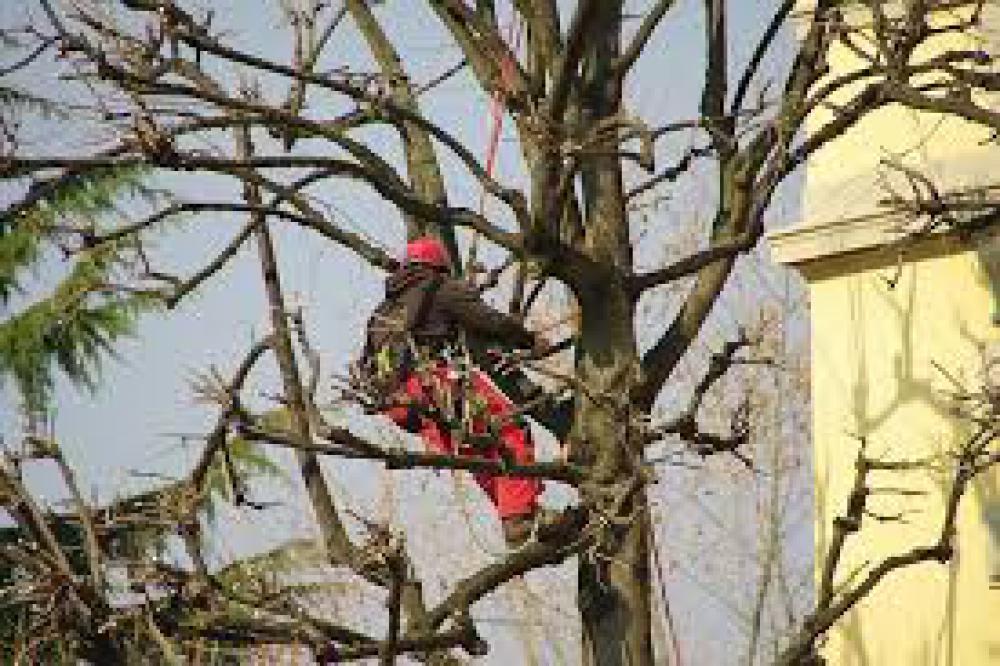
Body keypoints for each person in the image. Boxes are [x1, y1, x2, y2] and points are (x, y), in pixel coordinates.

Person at [361, 236, 547, 546]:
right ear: (440, 266)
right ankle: (517, 519)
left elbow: (367, 366)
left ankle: (520, 513)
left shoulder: (382, 311)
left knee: (480, 449)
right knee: (512, 427)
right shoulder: (438, 287)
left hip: (401, 406)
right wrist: (528, 340)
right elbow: (489, 321)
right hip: (432, 385)